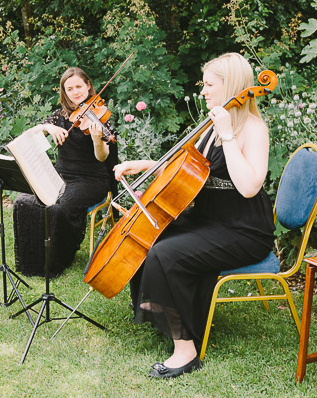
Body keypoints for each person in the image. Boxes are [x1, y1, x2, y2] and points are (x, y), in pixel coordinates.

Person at [113, 53, 275, 378]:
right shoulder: (210, 126)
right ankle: (165, 314)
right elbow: (185, 170)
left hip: (244, 231)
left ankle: (186, 351)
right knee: (150, 235)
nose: (203, 91)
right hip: (210, 222)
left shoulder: (252, 129)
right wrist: (144, 165)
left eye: (210, 84)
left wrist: (228, 134)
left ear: (231, 87)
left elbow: (248, 187)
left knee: (166, 253)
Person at [13, 67, 117, 277]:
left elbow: (103, 157)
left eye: (79, 86)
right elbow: (29, 134)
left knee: (60, 207)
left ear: (88, 85)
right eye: (69, 89)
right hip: (60, 175)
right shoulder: (60, 116)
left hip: (91, 179)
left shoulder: (100, 118)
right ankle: (33, 259)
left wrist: (97, 139)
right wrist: (47, 128)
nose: (75, 92)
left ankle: (56, 260)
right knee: (24, 201)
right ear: (64, 92)